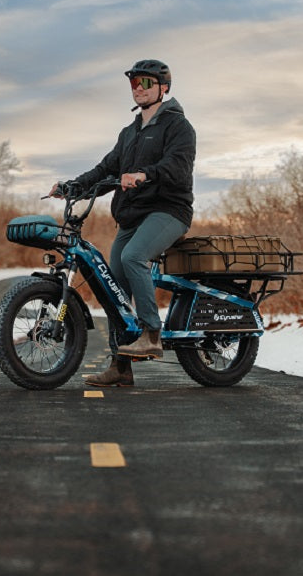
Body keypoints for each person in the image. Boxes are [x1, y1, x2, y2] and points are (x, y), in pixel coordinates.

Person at [49, 59, 196, 387]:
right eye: (134, 83)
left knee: (134, 258)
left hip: (168, 211)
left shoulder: (178, 126)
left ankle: (152, 335)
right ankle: (121, 366)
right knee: (114, 285)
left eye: (145, 83)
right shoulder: (129, 133)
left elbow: (178, 166)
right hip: (132, 216)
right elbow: (105, 169)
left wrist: (146, 174)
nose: (138, 88)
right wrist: (72, 186)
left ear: (163, 87)